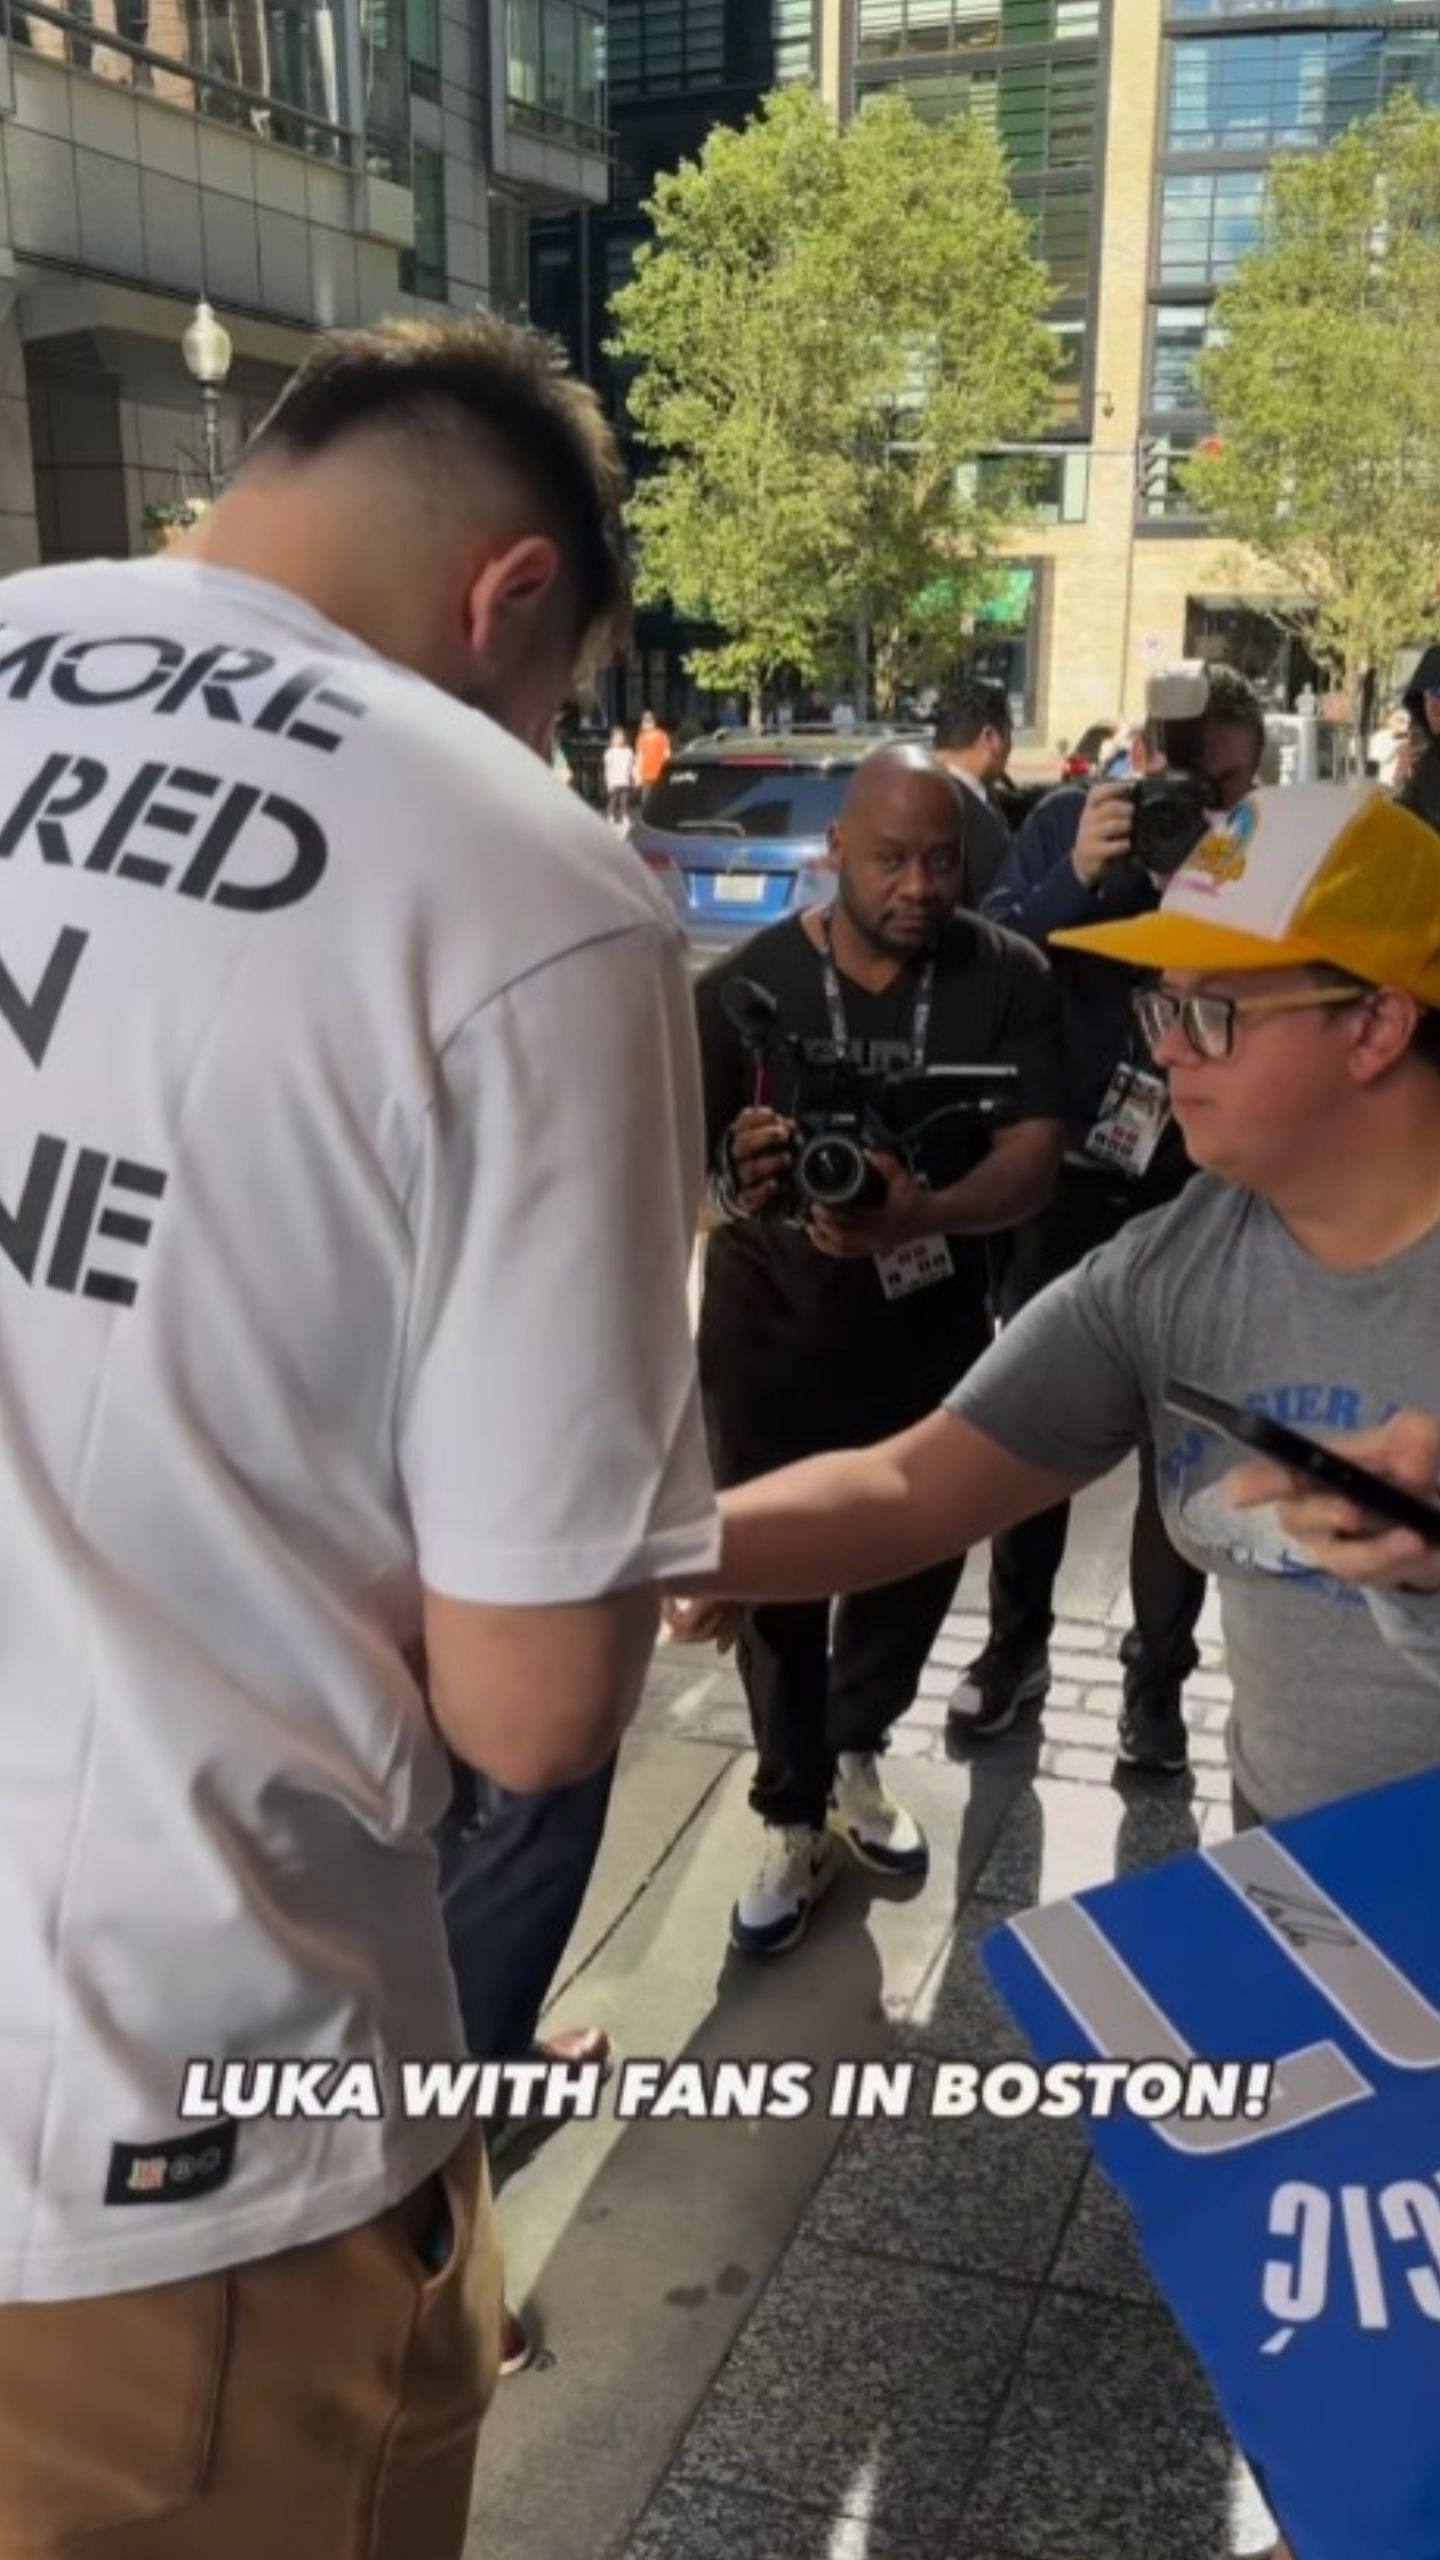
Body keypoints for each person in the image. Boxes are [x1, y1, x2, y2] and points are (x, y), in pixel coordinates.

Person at [0, 315, 720, 2558]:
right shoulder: (521, 881)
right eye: (558, 687)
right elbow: (535, 1699)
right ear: (513, 598)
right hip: (157, 2138)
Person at [672, 782, 1440, 1861]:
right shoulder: (1175, 1271)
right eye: (1158, 1005)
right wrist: (668, 1551)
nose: (1168, 1052)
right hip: (1293, 1858)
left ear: (1376, 1023)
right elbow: (913, 1487)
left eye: (1211, 1012)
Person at [695, 746, 1065, 1956]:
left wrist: (925, 1214)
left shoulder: (1005, 975)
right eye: (893, 859)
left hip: (928, 1323)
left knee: (915, 1553)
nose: (919, 885)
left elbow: (1037, 1152)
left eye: (942, 859)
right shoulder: (744, 987)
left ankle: (858, 1753)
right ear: (837, 854)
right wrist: (738, 1185)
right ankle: (791, 1809)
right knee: (776, 1583)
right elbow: (677, 1177)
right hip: (772, 1334)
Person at [955, 665, 1266, 1774]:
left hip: (1206, 1181)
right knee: (1038, 1424)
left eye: (1229, 781)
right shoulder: (1061, 825)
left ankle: (1157, 1690)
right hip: (1075, 1172)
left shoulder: (1263, 847)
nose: (1204, 801)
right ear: (1144, 756)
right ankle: (1013, 1648)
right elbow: (990, 965)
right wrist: (1080, 878)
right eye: (1187, 778)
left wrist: (1231, 868)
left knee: (1181, 1446)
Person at [931, 676, 1014, 910]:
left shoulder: (974, 794)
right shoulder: (941, 804)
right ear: (990, 738)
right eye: (1010, 732)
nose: (1011, 746)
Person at [603, 721, 635, 824]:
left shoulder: (628, 751)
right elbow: (607, 769)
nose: (619, 739)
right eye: (616, 737)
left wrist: (634, 777)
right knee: (613, 800)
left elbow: (631, 766)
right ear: (612, 739)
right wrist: (608, 783)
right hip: (614, 781)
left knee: (624, 801)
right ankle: (610, 815)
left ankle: (624, 816)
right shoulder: (609, 752)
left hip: (625, 781)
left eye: (621, 736)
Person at [635, 706, 671, 790]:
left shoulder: (662, 735)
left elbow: (667, 754)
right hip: (645, 775)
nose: (647, 723)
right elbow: (639, 757)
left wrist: (667, 771)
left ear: (654, 721)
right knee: (646, 799)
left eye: (649, 720)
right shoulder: (641, 738)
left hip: (660, 773)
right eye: (644, 720)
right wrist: (637, 775)